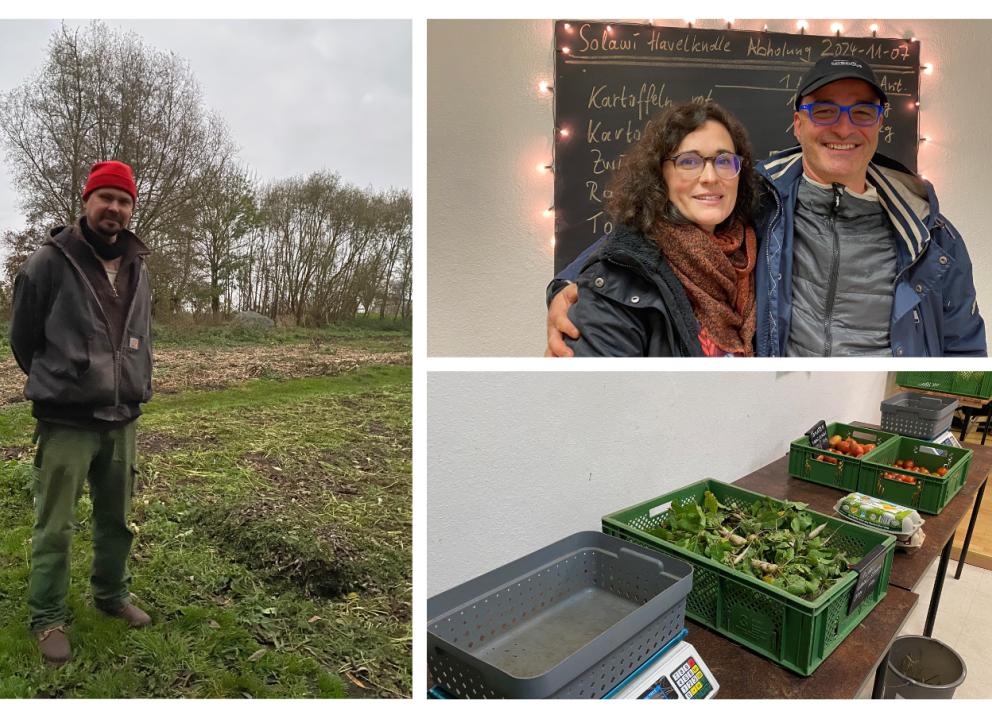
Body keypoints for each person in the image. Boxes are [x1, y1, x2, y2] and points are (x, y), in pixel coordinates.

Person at [546, 56, 986, 357]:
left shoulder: (933, 238)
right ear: (799, 123)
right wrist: (564, 288)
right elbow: (638, 241)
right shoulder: (761, 197)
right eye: (825, 111)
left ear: (879, 124)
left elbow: (964, 347)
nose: (844, 127)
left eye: (862, 112)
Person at [10, 160, 154, 665]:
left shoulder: (138, 264)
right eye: (105, 197)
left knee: (117, 519)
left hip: (123, 418)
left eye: (124, 200)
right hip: (67, 421)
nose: (114, 208)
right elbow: (23, 340)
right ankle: (48, 616)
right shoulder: (48, 262)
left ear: (132, 208)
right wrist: (63, 383)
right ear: (86, 201)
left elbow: (142, 338)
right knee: (56, 524)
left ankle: (111, 596)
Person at [554, 101, 763, 356]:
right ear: (659, 175)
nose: (710, 177)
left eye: (724, 161)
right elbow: (601, 394)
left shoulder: (760, 258)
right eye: (688, 161)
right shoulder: (619, 278)